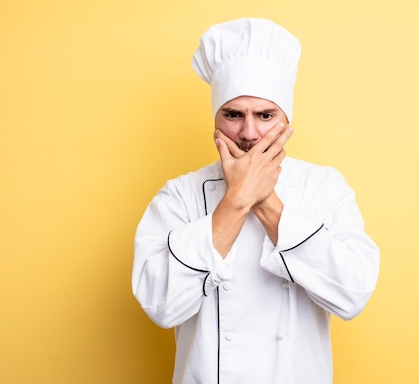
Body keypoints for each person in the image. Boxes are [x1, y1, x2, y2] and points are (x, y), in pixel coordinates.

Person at [132, 18, 380, 384]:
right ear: (215, 119)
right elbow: (160, 305)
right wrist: (235, 201)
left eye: (265, 115)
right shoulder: (179, 196)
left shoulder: (323, 187)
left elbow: (352, 293)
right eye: (234, 115)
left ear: (286, 121)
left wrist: (264, 200)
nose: (249, 133)